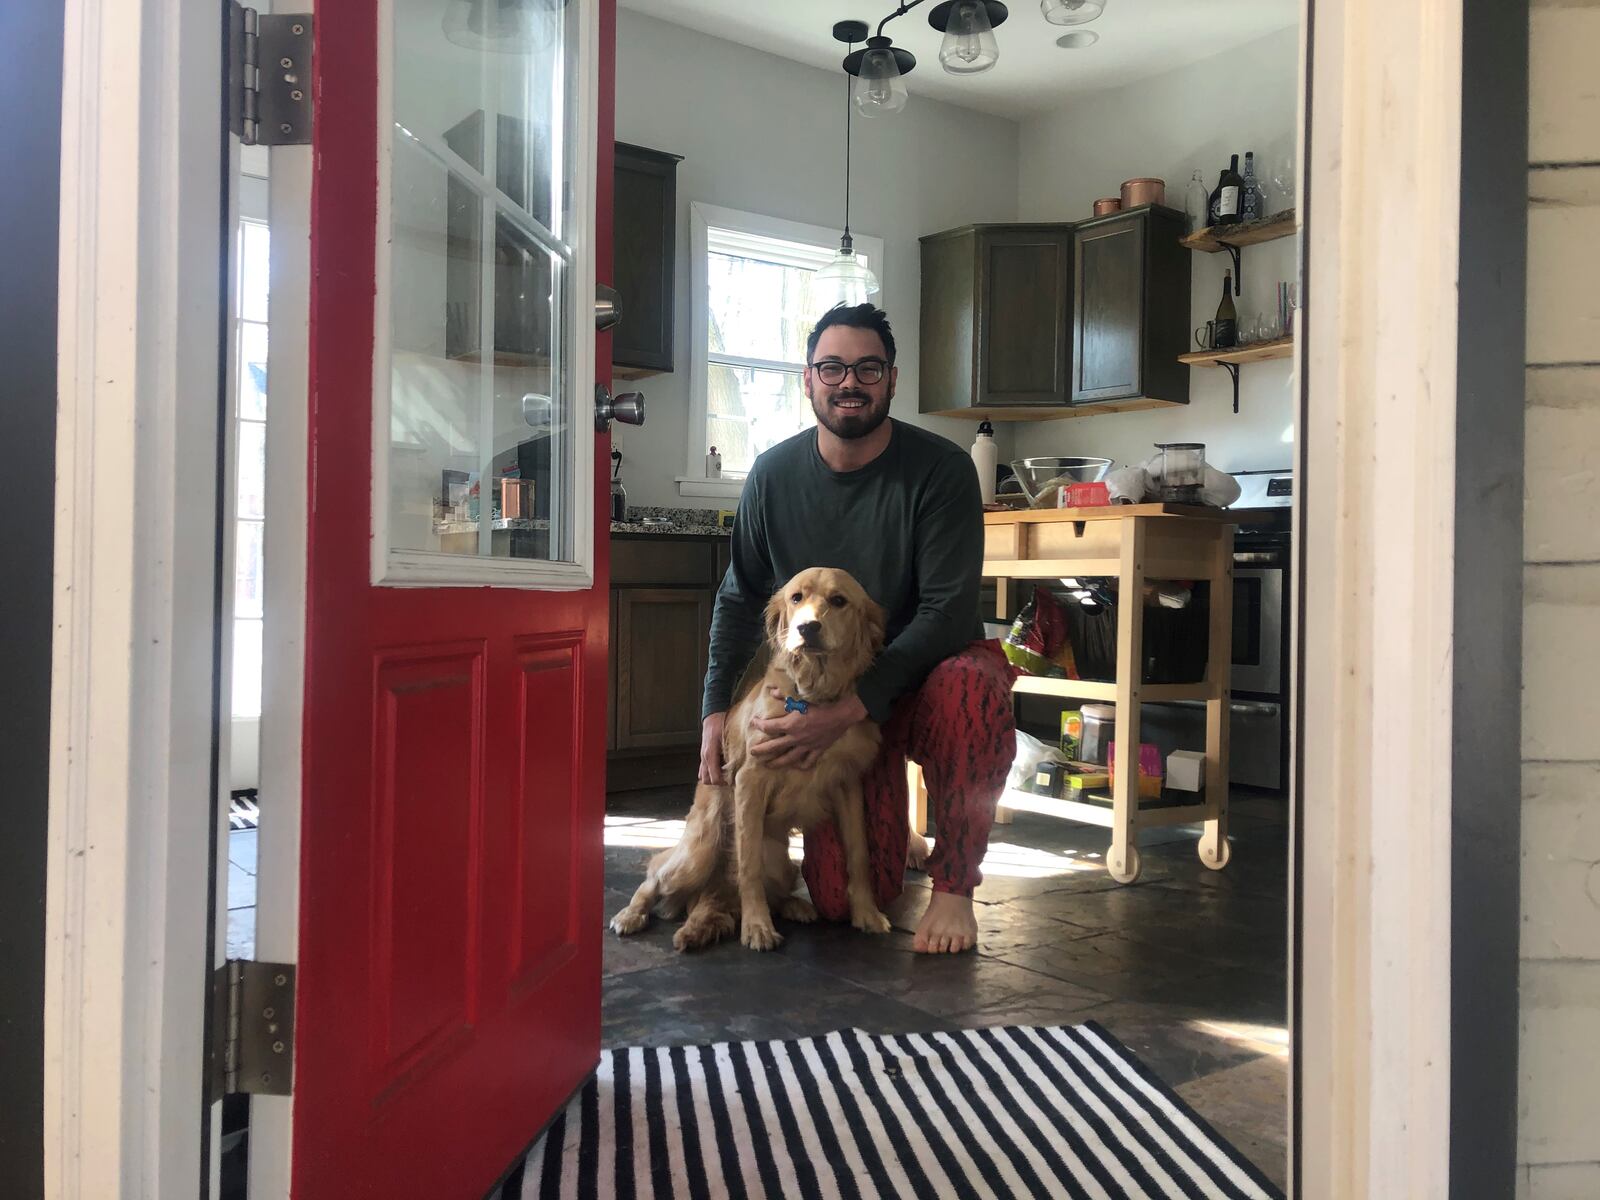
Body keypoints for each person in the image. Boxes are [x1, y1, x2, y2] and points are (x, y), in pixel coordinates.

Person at [698, 303, 1017, 954]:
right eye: (832, 367)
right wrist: (712, 712)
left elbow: (948, 614)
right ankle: (898, 826)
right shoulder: (772, 476)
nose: (850, 382)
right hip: (833, 706)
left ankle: (955, 889)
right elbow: (740, 599)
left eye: (868, 367)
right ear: (808, 380)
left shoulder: (942, 471)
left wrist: (848, 708)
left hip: (920, 689)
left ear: (892, 380)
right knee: (842, 900)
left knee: (975, 684)